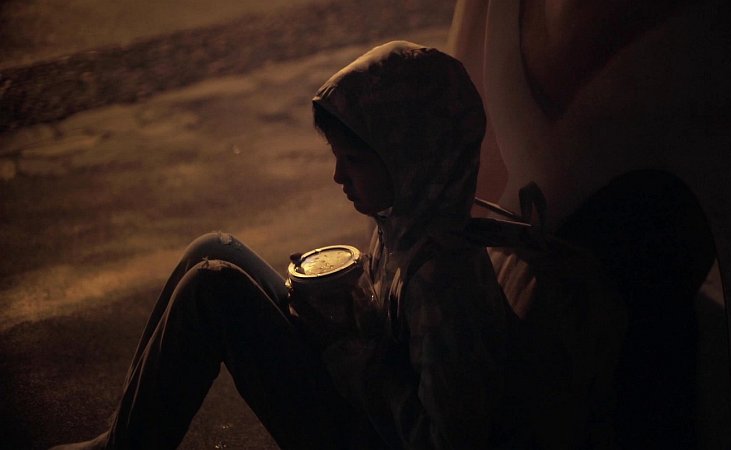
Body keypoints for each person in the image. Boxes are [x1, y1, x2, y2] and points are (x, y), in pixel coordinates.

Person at [52, 40, 523, 450]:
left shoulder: (443, 284)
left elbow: (446, 441)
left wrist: (350, 355)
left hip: (366, 432)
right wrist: (344, 308)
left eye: (353, 159)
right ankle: (122, 434)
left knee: (213, 288)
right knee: (213, 248)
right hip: (357, 388)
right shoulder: (402, 222)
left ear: (410, 159)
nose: (338, 176)